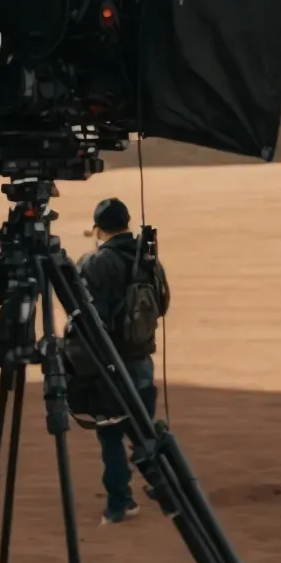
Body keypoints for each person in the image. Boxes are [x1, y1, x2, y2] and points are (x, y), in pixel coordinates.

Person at [75, 198, 170, 525]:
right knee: (144, 432)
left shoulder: (93, 262)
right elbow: (161, 304)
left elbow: (81, 313)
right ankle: (171, 490)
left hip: (108, 364)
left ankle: (120, 502)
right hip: (141, 359)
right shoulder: (149, 259)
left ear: (98, 228)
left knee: (111, 435)